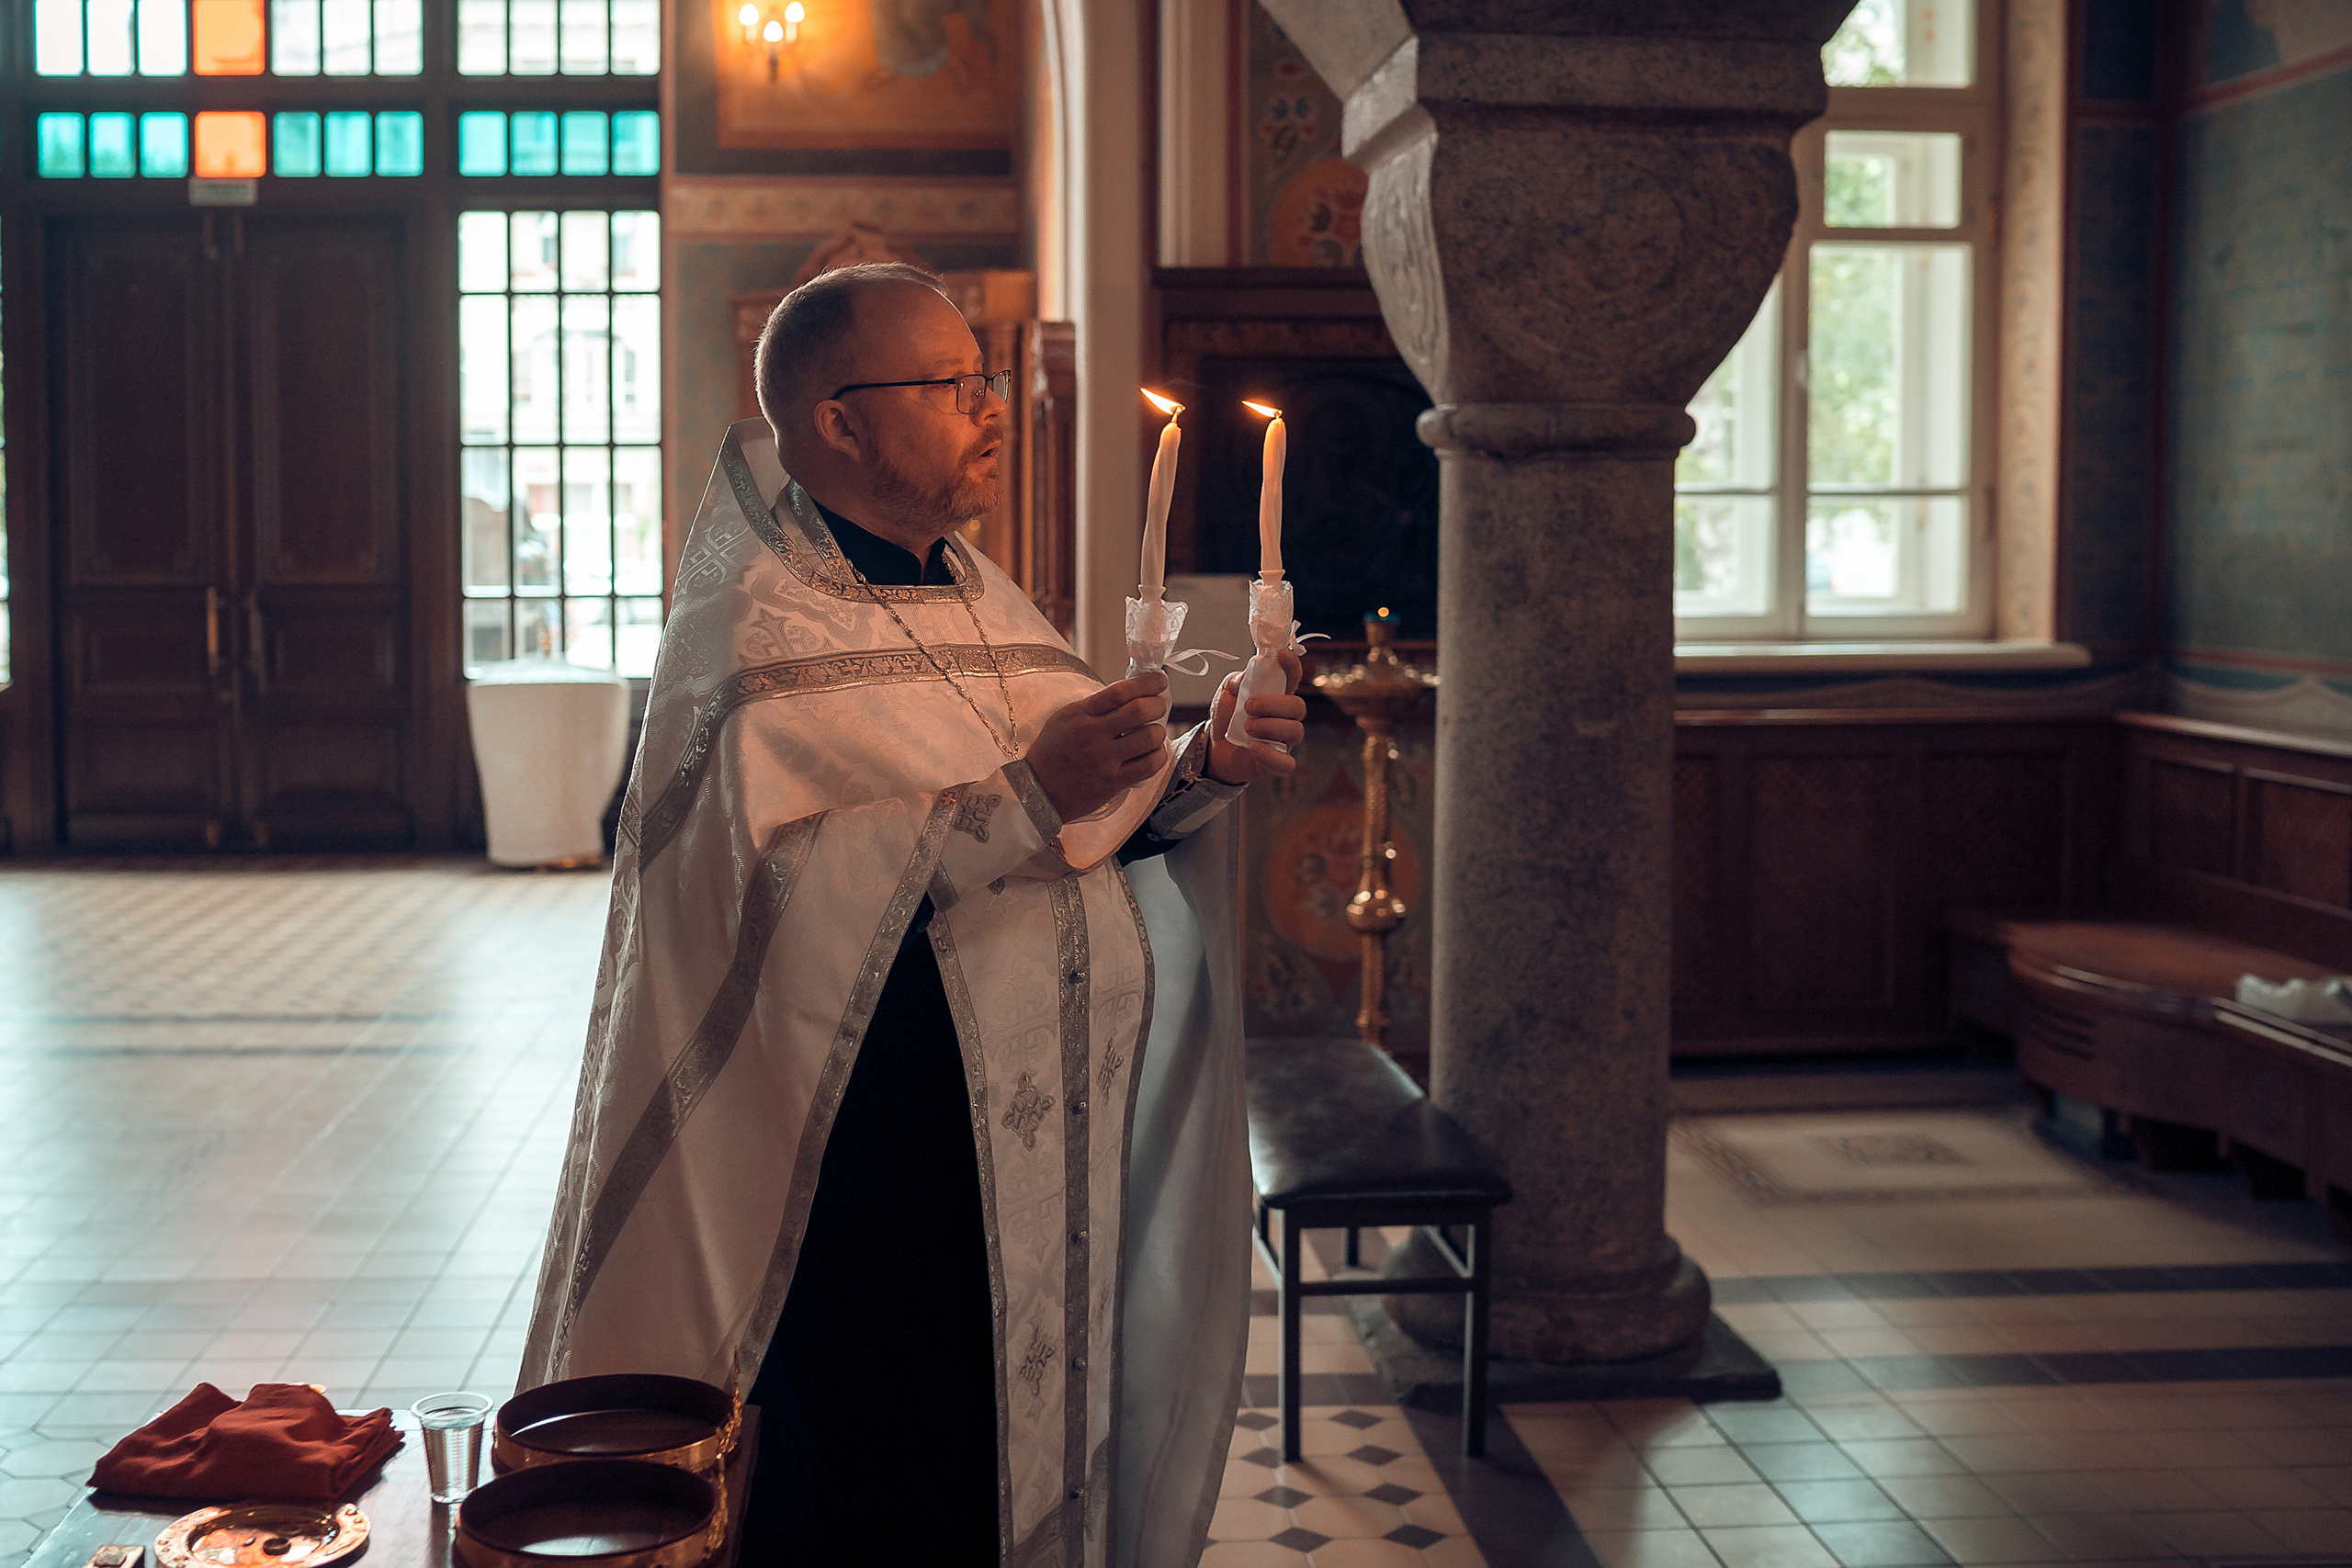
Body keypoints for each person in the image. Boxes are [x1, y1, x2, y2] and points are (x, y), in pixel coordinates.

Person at [521, 262, 1307, 1568]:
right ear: (838, 421)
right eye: (951, 386)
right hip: (867, 1171)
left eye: (985, 378)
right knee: (888, 1483)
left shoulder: (976, 593)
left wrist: (1195, 768)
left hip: (1038, 1150)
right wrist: (1017, 797)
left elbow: (1076, 823)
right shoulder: (752, 632)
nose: (991, 409)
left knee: (1011, 1462)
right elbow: (765, 898)